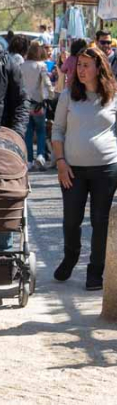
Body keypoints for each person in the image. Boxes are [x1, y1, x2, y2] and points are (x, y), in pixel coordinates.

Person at [51, 47, 117, 291]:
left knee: (101, 221)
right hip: (72, 170)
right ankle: (70, 257)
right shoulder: (68, 95)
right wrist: (60, 162)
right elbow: (57, 130)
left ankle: (95, 271)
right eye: (79, 65)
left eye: (86, 65)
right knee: (71, 220)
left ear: (100, 68)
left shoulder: (116, 96)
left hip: (107, 169)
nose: (81, 70)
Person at [0, 45, 29, 252]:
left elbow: (21, 101)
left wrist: (15, 136)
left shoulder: (7, 62)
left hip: (3, 146)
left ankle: (3, 261)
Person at [20, 42, 53, 170]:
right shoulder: (42, 66)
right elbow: (47, 83)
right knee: (41, 131)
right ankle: (40, 155)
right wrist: (50, 95)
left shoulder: (22, 65)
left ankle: (29, 160)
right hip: (39, 104)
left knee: (28, 132)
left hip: (25, 104)